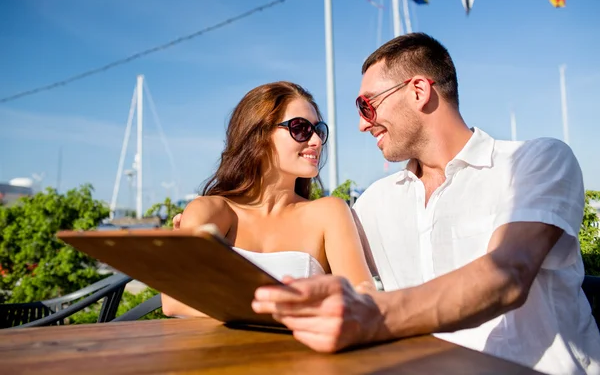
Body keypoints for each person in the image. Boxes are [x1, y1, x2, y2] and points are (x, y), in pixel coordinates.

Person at [248, 34, 600, 374]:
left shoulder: (534, 161)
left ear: (418, 91)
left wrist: (374, 315)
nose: (360, 124)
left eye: (366, 105)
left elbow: (507, 274)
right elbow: (300, 258)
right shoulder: (374, 203)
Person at [162, 81, 375, 318]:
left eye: (319, 130)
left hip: (302, 353)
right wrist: (293, 308)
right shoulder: (213, 210)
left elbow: (363, 301)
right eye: (300, 128)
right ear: (258, 135)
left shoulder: (329, 212)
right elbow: (173, 300)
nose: (316, 141)